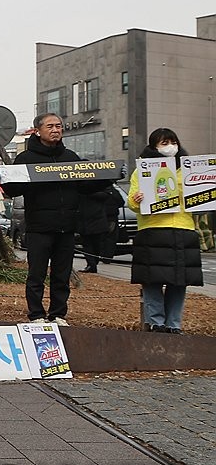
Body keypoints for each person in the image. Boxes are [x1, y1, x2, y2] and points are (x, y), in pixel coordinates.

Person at [0, 113, 106, 326]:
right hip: (39, 227)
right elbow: (14, 189)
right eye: (50, 126)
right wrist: (2, 179)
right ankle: (36, 314)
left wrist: (109, 177)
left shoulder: (71, 158)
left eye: (59, 126)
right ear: (37, 130)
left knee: (61, 275)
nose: (56, 130)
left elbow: (86, 186)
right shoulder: (26, 159)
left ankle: (58, 314)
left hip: (66, 228)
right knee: (36, 275)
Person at [127, 128, 203, 333]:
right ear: (153, 146)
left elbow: (200, 198)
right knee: (151, 280)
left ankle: (173, 324)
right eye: (163, 142)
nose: (170, 146)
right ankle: (156, 323)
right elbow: (132, 202)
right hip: (152, 229)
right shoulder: (141, 170)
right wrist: (136, 200)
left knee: (180, 281)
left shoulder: (189, 169)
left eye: (172, 141)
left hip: (183, 229)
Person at [77, 182, 123, 273]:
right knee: (87, 243)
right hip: (84, 219)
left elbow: (110, 197)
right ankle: (92, 264)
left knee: (97, 243)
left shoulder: (102, 187)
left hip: (98, 219)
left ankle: (98, 260)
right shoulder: (79, 187)